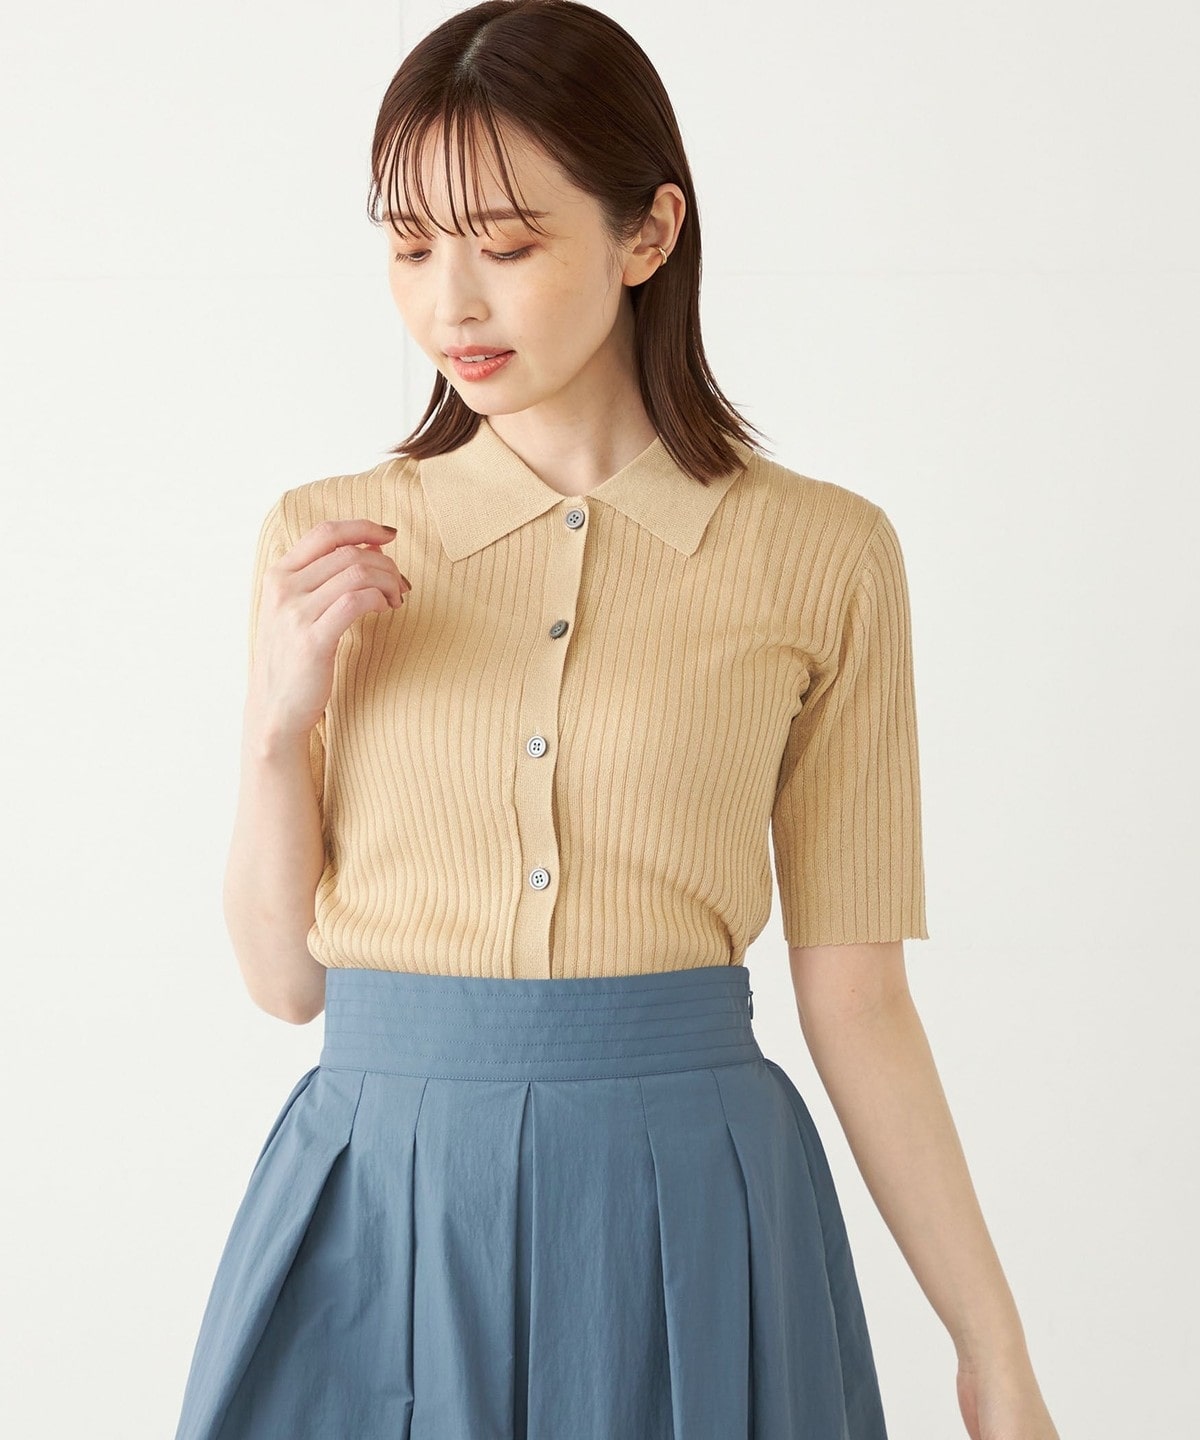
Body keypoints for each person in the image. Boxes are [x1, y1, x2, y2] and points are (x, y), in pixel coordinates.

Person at [173, 3, 1061, 1437]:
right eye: (411, 247)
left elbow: (859, 995)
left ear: (648, 233)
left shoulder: (824, 554)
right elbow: (286, 983)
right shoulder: (326, 541)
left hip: (689, 1202)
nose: (450, 306)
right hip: (385, 1207)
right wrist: (278, 727)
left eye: (507, 246)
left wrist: (993, 1351)